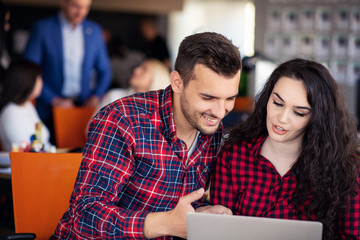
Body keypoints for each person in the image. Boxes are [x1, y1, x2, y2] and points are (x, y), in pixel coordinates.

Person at [51, 31, 242, 239]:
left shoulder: (210, 129)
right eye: (208, 97)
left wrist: (198, 215)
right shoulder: (122, 120)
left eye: (229, 99)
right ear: (177, 82)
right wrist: (166, 224)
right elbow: (85, 217)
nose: (220, 111)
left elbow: (175, 208)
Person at [210, 58, 360, 240]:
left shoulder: (346, 167)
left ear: (317, 118)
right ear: (267, 99)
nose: (282, 118)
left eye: (299, 112)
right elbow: (217, 231)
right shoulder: (234, 157)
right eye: (277, 103)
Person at [23, 0, 112, 144]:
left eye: (85, 7)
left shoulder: (95, 31)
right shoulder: (43, 28)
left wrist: (96, 96)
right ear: (63, 2)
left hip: (84, 108)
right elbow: (28, 70)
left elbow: (105, 71)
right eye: (76, 6)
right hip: (49, 109)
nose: (80, 12)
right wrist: (54, 100)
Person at [0, 59, 52, 152]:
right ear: (27, 81)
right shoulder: (10, 113)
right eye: (38, 78)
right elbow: (28, 152)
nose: (42, 83)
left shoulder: (28, 105)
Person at [98, 58, 171, 110]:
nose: (136, 70)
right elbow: (91, 128)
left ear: (155, 80)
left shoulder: (161, 114)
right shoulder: (114, 96)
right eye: (139, 67)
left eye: (144, 69)